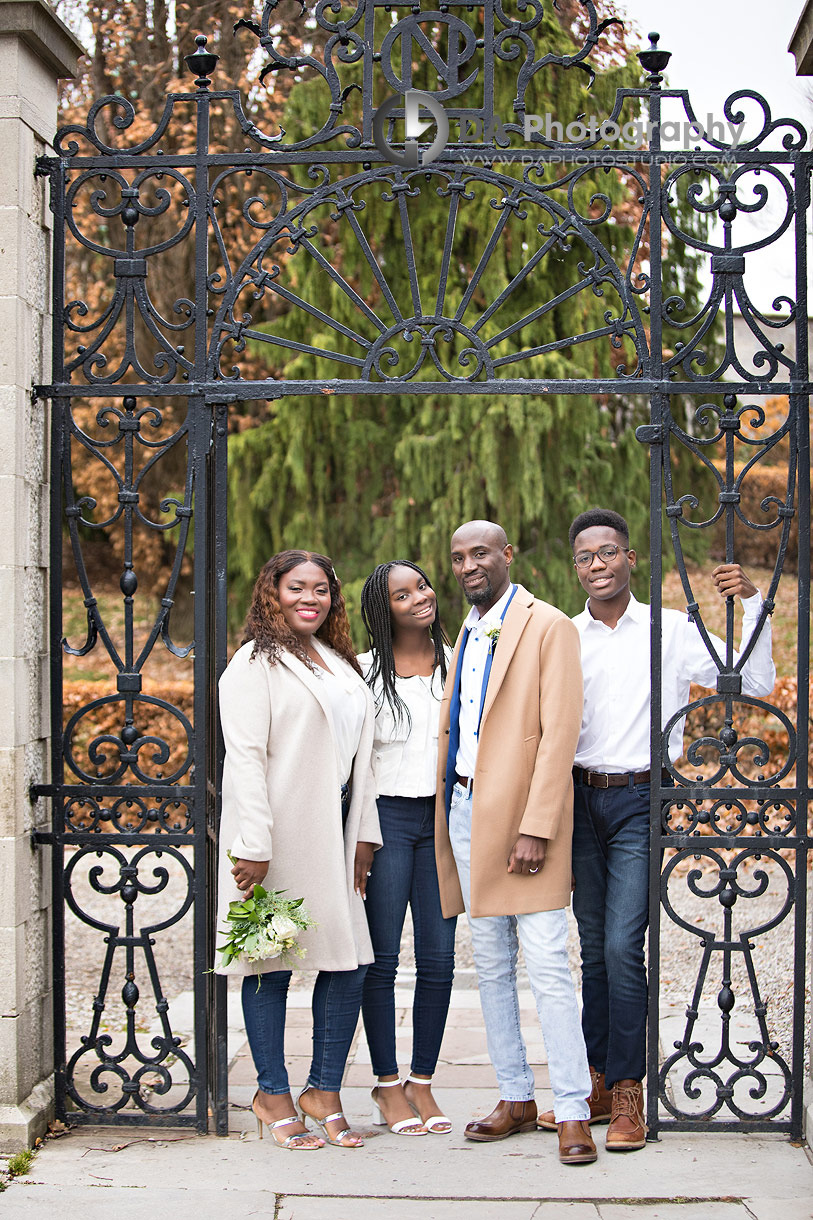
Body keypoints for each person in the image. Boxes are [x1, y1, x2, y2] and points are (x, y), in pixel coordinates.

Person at [538, 508, 776, 1152]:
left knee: (621, 945)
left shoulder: (669, 631)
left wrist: (752, 607)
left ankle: (627, 1091)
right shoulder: (563, 635)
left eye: (608, 552)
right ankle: (591, 1078)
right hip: (577, 800)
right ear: (576, 565)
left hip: (642, 798)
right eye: (585, 556)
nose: (596, 564)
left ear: (630, 558)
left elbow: (752, 680)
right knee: (590, 947)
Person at [434, 519, 598, 1166]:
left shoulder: (547, 624)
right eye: (456, 557)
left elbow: (560, 733)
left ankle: (575, 1108)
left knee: (549, 964)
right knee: (493, 964)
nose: (468, 565)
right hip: (467, 808)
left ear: (507, 555)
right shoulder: (466, 631)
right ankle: (514, 1096)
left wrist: (537, 826)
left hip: (524, 819)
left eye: (479, 553)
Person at [216, 550, 382, 1150]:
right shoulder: (251, 666)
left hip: (334, 834)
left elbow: (365, 755)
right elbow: (246, 759)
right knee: (270, 961)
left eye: (320, 590)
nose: (309, 599)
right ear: (272, 593)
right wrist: (254, 844)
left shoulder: (341, 665)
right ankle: (272, 1093)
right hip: (277, 835)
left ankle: (323, 1089)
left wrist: (365, 832)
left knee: (348, 963)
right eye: (296, 588)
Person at [358, 560, 457, 1137]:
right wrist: (364, 839)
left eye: (421, 585)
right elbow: (356, 765)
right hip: (388, 820)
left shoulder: (460, 664)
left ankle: (423, 1080)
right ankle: (387, 1083)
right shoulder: (366, 672)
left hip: (441, 821)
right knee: (384, 959)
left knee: (440, 960)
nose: (420, 597)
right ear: (384, 608)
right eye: (402, 594)